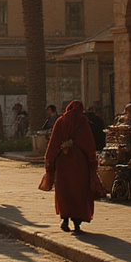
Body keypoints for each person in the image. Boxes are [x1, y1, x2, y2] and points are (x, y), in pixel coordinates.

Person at [43, 99, 100, 233]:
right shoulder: (83, 122)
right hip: (80, 163)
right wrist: (92, 160)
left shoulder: (61, 121)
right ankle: (77, 223)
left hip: (63, 161)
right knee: (79, 191)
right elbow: (89, 143)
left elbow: (53, 143)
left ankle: (65, 219)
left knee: (64, 191)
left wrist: (49, 160)